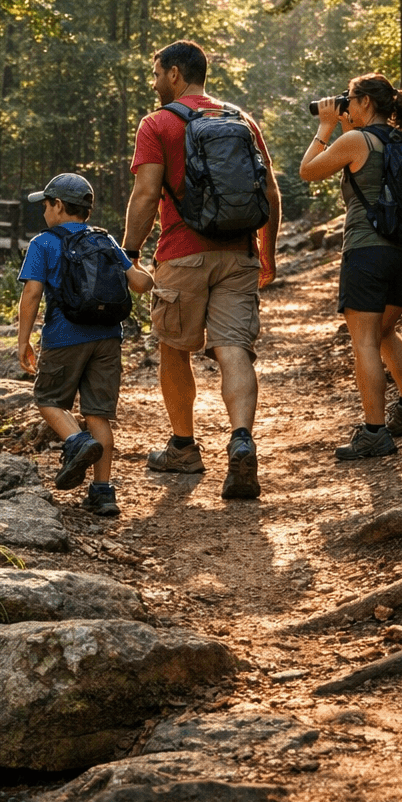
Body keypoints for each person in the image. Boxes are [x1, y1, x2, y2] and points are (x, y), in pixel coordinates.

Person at [122, 40, 281, 499]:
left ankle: (184, 448)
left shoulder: (158, 123)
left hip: (181, 254)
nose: (154, 84)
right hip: (239, 254)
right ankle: (242, 439)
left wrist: (128, 252)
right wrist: (266, 253)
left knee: (173, 346)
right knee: (233, 348)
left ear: (175, 73)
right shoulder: (241, 120)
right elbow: (268, 191)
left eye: (156, 74)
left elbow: (147, 194)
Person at [297, 72, 402, 459]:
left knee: (365, 341)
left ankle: (374, 432)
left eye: (350, 99)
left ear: (366, 103)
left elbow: (308, 170)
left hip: (367, 252)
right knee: (385, 331)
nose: (345, 106)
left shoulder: (356, 140)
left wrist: (325, 127)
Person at [17, 173, 153, 517]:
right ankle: (103, 493)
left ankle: (77, 442)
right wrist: (147, 269)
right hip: (108, 338)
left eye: (46, 205)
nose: (44, 212)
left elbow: (32, 294)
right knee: (98, 414)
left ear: (59, 206)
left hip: (65, 336)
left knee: (47, 399)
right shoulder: (105, 240)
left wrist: (23, 341)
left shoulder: (43, 243)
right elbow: (139, 283)